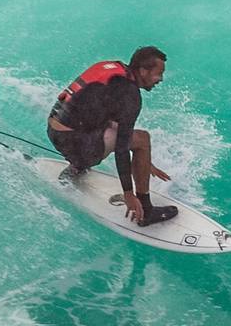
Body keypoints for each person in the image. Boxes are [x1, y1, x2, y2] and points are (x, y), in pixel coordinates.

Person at [46, 45, 177, 227]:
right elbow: (122, 148)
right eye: (158, 73)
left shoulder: (112, 69)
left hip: (55, 131)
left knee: (113, 126)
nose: (160, 79)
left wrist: (145, 162)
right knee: (143, 139)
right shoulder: (130, 95)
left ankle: (76, 167)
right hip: (75, 142)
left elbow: (102, 115)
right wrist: (129, 194)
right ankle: (146, 212)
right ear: (143, 70)